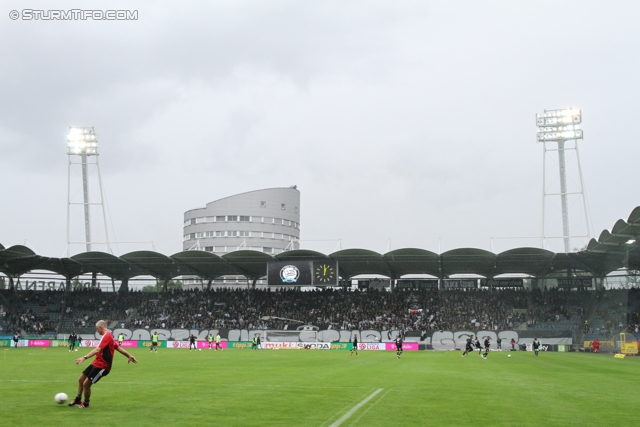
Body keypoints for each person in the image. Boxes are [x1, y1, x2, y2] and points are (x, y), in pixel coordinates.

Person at [69, 320, 138, 409]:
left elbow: (97, 349)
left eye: (97, 329)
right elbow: (119, 348)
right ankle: (78, 399)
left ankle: (86, 404)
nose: (96, 330)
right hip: (96, 363)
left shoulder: (107, 336)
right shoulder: (108, 336)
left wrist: (84, 357)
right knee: (81, 380)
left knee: (86, 384)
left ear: (101, 327)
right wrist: (129, 355)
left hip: (103, 366)